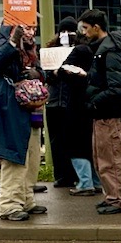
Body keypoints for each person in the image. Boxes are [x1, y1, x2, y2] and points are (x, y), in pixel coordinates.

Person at [0, 22, 47, 221]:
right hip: (9, 105)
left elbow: (41, 72)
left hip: (27, 107)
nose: (30, 31)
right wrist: (12, 42)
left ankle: (26, 199)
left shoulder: (29, 49)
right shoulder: (4, 44)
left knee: (30, 156)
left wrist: (38, 74)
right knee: (14, 156)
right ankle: (9, 205)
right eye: (26, 27)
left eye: (33, 28)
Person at [80, 10, 121, 215]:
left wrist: (95, 101)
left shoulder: (110, 52)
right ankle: (112, 196)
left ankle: (120, 200)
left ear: (97, 27)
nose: (84, 33)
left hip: (108, 114)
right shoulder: (103, 50)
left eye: (86, 28)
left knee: (112, 158)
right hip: (103, 114)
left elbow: (118, 87)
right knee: (102, 158)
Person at [53, 30, 98, 196]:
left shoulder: (78, 51)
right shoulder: (95, 51)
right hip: (91, 102)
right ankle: (97, 181)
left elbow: (64, 69)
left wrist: (57, 72)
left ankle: (85, 183)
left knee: (74, 143)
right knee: (89, 144)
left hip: (76, 102)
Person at [43, 17, 80, 188]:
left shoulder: (79, 50)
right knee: (55, 140)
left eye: (69, 31)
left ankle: (75, 174)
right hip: (53, 101)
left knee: (71, 138)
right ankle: (61, 174)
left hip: (71, 101)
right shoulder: (51, 50)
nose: (65, 35)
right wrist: (55, 73)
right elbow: (46, 75)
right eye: (63, 31)